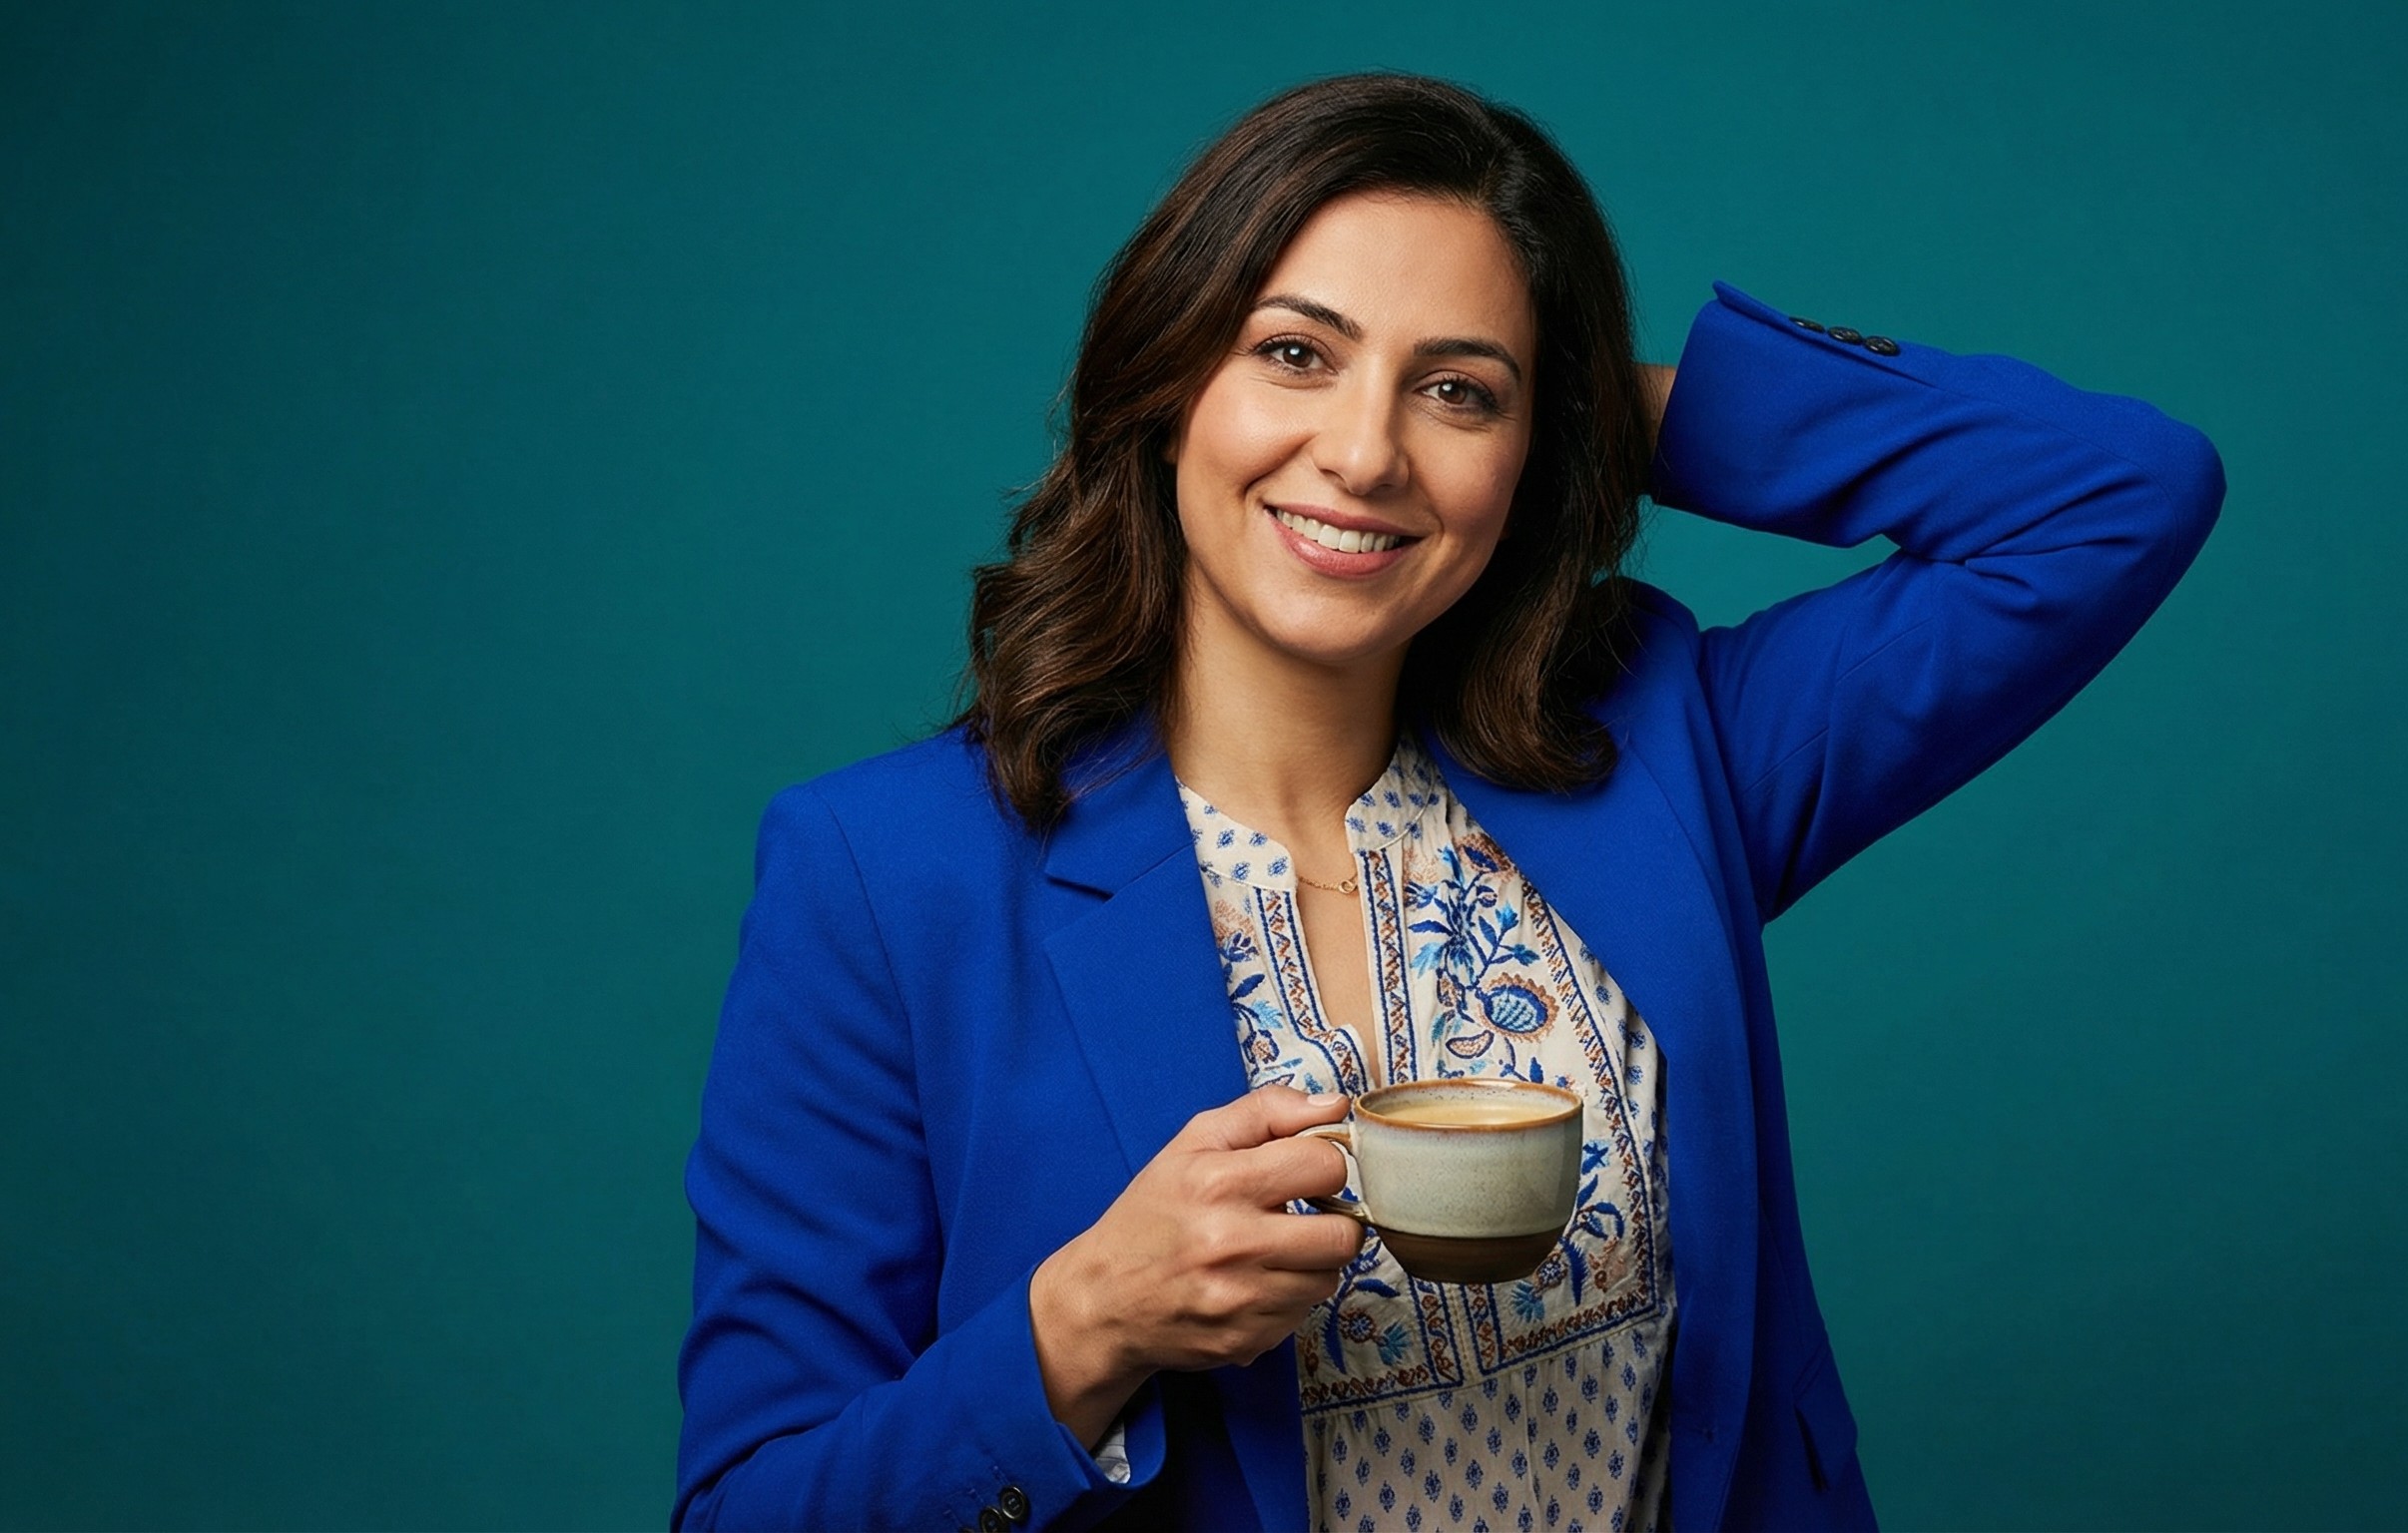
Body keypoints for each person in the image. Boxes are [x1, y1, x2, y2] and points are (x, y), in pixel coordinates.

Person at [673, 71, 2221, 1533]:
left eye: (1455, 392)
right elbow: (750, 1505)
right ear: (1168, 380)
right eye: (1294, 354)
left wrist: (1584, 410)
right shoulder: (885, 876)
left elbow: (2114, 493)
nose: (1363, 455)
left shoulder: (1666, 753)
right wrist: (1084, 1325)